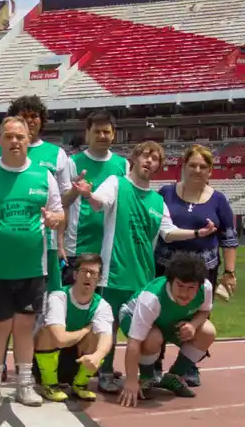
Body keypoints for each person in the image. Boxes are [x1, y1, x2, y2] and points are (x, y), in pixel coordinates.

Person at [73, 140, 193, 393]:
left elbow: (168, 233)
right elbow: (100, 202)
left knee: (145, 332)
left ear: (159, 166)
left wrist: (197, 232)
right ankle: (105, 372)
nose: (149, 161)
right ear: (135, 158)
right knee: (108, 327)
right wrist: (87, 194)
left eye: (155, 158)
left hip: (143, 279)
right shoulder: (117, 183)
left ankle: (145, 375)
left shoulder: (157, 201)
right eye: (145, 156)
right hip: (113, 273)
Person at [0, 116, 64, 407]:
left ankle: (24, 384)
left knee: (24, 326)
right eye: (9, 136)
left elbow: (59, 215)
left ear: (29, 139)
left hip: (32, 267)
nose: (15, 141)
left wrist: (56, 219)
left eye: (21, 136)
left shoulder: (44, 176)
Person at [156, 143, 236, 386]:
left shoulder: (219, 200)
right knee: (159, 316)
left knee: (198, 319)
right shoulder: (165, 193)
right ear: (183, 166)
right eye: (192, 165)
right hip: (165, 269)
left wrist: (229, 272)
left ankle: (187, 366)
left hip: (204, 273)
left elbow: (229, 237)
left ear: (210, 171)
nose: (197, 170)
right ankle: (154, 362)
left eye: (203, 166)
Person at [0, 95, 75, 289]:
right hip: (7, 238)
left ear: (42, 119)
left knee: (48, 296)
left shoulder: (57, 154)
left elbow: (62, 203)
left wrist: (60, 243)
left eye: (34, 116)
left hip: (45, 241)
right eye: (23, 116)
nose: (29, 120)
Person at [117, 253, 215, 406]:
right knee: (152, 338)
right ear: (170, 282)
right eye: (180, 286)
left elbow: (204, 311)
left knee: (208, 332)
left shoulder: (206, 288)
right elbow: (134, 342)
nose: (184, 293)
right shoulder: (151, 298)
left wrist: (193, 326)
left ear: (200, 285)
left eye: (191, 288)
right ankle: (146, 377)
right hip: (132, 317)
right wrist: (130, 381)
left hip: (170, 322)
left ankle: (174, 376)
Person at [33, 252, 114, 402]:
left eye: (93, 273)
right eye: (84, 271)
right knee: (47, 331)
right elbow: (59, 339)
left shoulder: (102, 306)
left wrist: (97, 356)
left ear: (100, 278)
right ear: (75, 275)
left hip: (78, 360)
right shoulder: (59, 297)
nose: (88, 276)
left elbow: (106, 339)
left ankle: (80, 385)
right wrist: (84, 330)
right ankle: (49, 384)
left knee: (97, 335)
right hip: (47, 359)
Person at [67, 110, 127, 273]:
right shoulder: (72, 162)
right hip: (78, 247)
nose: (102, 136)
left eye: (106, 132)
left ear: (113, 135)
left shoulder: (123, 164)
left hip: (110, 248)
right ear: (87, 134)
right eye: (97, 132)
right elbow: (62, 203)